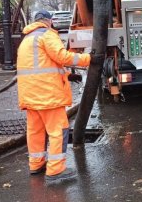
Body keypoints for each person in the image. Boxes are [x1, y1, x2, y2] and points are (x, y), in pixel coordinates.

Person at [17, 10, 90, 182]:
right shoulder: (47, 35)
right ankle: (56, 170)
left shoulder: (26, 39)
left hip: (29, 95)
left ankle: (36, 164)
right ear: (49, 21)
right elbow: (62, 57)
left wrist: (67, 75)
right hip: (48, 95)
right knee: (58, 130)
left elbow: (42, 65)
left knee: (35, 131)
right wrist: (89, 58)